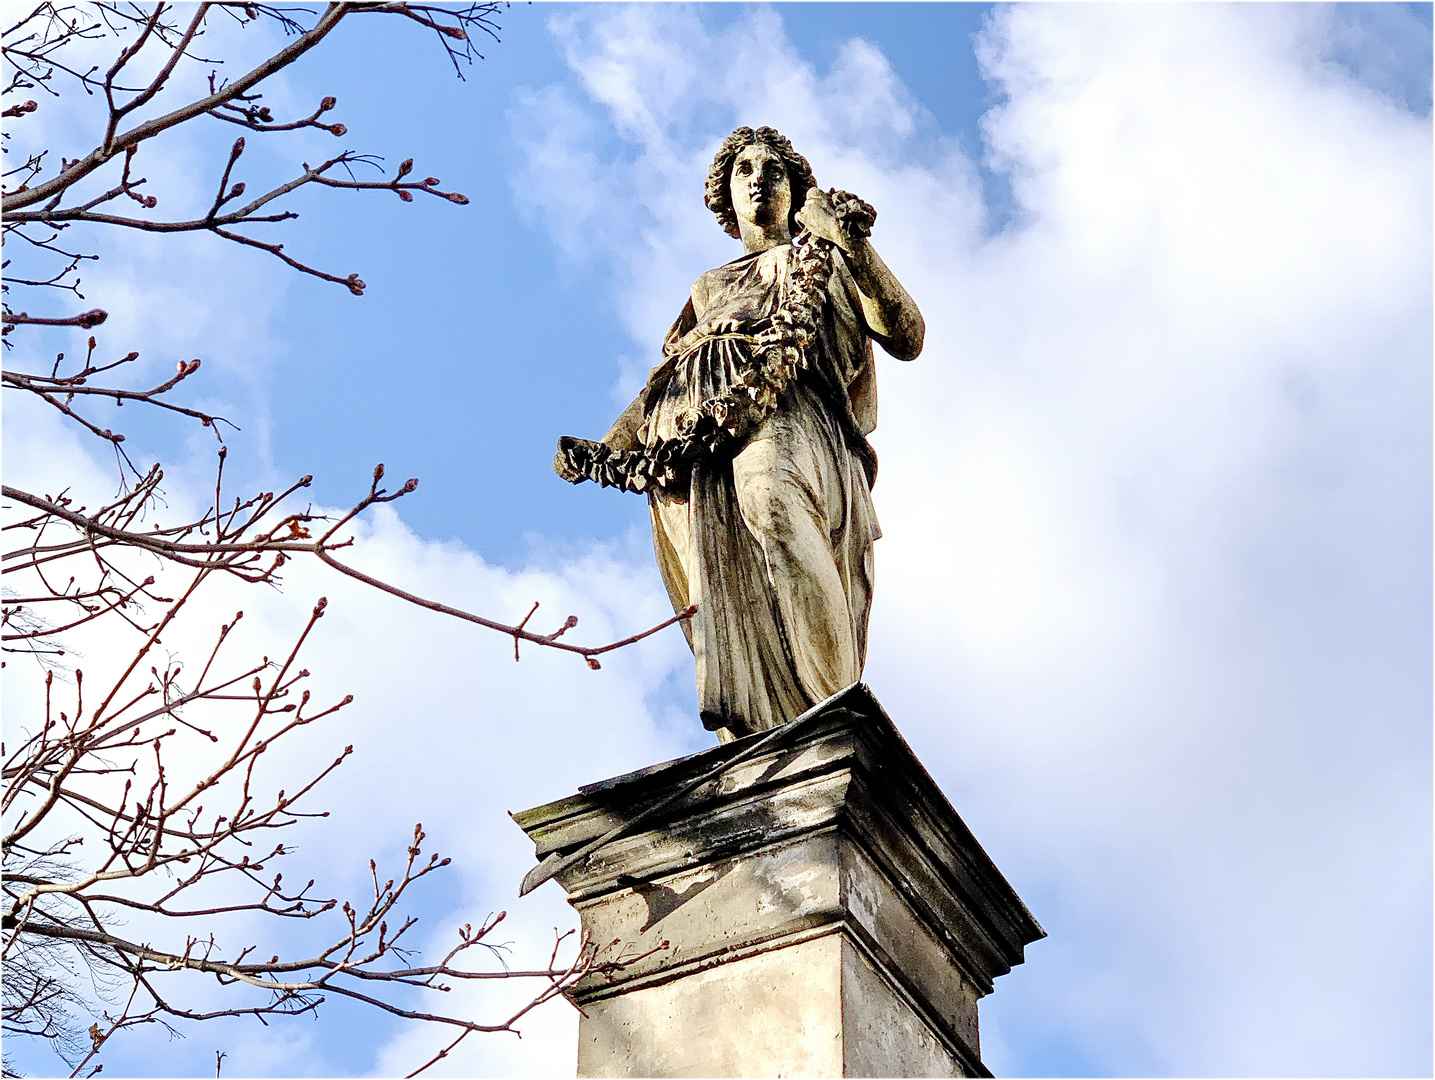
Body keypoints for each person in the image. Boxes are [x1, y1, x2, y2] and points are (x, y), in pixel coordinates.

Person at [555, 126, 924, 741]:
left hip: (795, 413)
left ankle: (833, 707)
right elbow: (663, 381)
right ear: (726, 194)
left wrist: (854, 246)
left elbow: (907, 335)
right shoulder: (709, 286)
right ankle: (760, 727)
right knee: (724, 577)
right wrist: (610, 447)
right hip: (696, 444)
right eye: (744, 170)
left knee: (772, 503)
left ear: (796, 189)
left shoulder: (824, 256)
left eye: (774, 170)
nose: (759, 180)